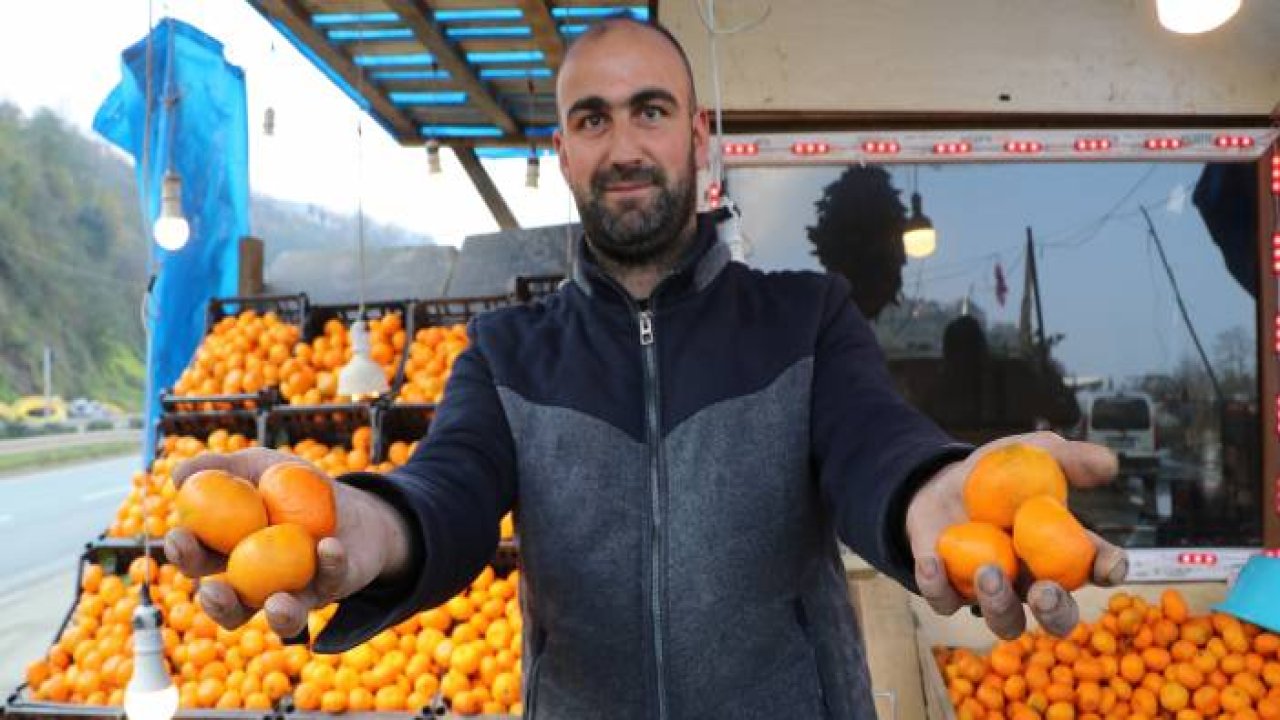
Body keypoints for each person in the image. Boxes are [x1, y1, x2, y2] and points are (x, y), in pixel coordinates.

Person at [166, 17, 1128, 719]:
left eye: (650, 111)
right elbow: (446, 491)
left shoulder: (804, 317)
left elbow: (876, 448)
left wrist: (938, 493)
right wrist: (354, 530)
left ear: (697, 140)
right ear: (565, 150)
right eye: (592, 119)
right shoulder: (508, 353)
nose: (624, 146)